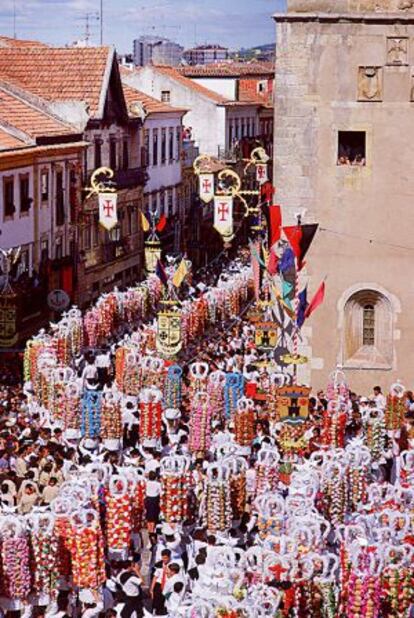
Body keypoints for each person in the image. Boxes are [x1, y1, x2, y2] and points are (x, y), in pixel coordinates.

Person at [145, 470, 161, 535]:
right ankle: (152, 529)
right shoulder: (158, 484)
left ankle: (149, 529)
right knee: (154, 514)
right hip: (155, 499)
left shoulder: (146, 483)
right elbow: (160, 492)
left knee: (148, 514)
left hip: (148, 499)